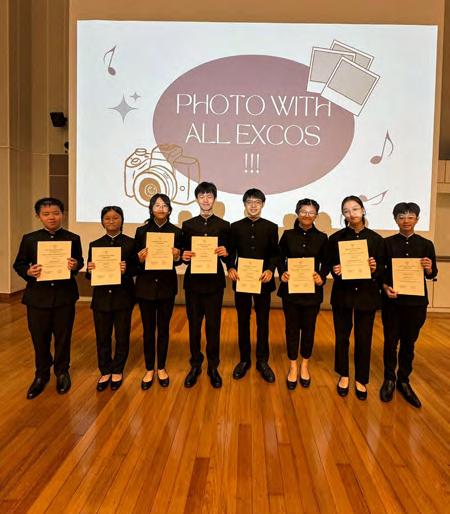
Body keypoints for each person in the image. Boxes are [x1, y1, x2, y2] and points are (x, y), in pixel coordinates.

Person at [13, 197, 83, 399]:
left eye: (56, 213)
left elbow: (79, 261)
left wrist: (75, 265)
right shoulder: (30, 239)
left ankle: (62, 372)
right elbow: (19, 264)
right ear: (38, 216)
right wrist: (28, 271)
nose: (52, 217)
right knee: (39, 338)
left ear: (62, 214)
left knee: (63, 337)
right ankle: (41, 375)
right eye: (46, 214)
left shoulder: (73, 238)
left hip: (64, 297)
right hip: (37, 298)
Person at [379, 202, 437, 408]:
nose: (406, 221)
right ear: (395, 219)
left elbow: (432, 274)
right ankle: (389, 378)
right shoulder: (386, 243)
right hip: (392, 302)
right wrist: (385, 287)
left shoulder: (426, 244)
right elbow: (381, 273)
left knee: (409, 343)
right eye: (401, 217)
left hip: (416, 303)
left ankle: (403, 380)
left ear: (417, 220)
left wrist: (429, 268)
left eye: (410, 217)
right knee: (390, 341)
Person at [327, 195, 384, 400]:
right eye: (346, 211)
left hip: (367, 295)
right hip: (343, 294)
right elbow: (331, 266)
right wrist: (336, 270)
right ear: (343, 215)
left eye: (355, 209)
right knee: (342, 337)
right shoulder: (336, 238)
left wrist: (375, 269)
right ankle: (343, 374)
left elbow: (382, 270)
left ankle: (361, 378)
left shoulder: (376, 239)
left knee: (364, 338)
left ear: (363, 210)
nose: (351, 214)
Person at [181, 182, 230, 388]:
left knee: (213, 326)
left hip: (214, 284)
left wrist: (226, 253)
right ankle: (195, 364)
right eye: (202, 196)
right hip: (193, 283)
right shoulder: (188, 225)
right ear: (197, 199)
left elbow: (229, 257)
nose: (206, 200)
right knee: (194, 326)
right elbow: (183, 255)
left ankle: (213, 366)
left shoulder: (224, 225)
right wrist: (184, 256)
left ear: (214, 199)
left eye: (209, 196)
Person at [227, 188, 278, 383]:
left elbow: (274, 253)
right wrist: (231, 267)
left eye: (257, 202)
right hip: (242, 280)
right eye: (249, 202)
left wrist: (270, 269)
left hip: (262, 281)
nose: (253, 205)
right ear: (244, 205)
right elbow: (231, 252)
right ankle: (244, 360)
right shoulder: (235, 227)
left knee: (263, 321)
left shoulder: (271, 227)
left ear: (263, 204)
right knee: (243, 320)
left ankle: (262, 361)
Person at [277, 199, 328, 390]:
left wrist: (321, 276)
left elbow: (327, 262)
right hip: (291, 291)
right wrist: (283, 272)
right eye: (303, 212)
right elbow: (279, 257)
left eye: (311, 212)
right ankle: (293, 365)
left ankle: (305, 364)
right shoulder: (288, 235)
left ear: (316, 216)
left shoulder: (322, 237)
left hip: (312, 292)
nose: (307, 215)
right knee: (291, 329)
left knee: (309, 328)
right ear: (297, 213)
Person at [134, 194, 183, 389]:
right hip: (145, 286)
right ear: (151, 209)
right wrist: (139, 258)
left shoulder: (177, 232)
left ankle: (161, 367)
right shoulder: (141, 231)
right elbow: (135, 261)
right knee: (148, 330)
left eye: (164, 205)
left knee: (163, 329)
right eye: (157, 205)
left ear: (169, 209)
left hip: (166, 287)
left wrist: (177, 256)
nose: (161, 208)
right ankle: (149, 369)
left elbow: (178, 261)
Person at [86, 206, 136, 392]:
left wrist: (126, 270)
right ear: (102, 222)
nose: (111, 221)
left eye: (115, 217)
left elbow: (137, 269)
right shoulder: (95, 244)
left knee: (122, 335)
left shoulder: (131, 243)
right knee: (102, 336)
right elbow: (90, 276)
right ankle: (105, 370)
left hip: (123, 297)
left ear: (122, 220)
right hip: (101, 298)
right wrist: (90, 270)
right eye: (107, 218)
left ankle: (118, 369)